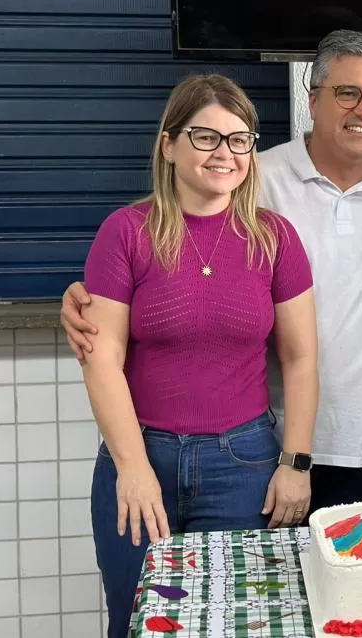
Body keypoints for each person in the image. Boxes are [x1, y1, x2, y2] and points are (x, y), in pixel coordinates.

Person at [61, 31, 362, 514]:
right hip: (268, 446)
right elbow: (170, 245)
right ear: (314, 99)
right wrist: (82, 297)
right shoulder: (251, 176)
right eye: (347, 92)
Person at [77, 74, 319, 637]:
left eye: (239, 140)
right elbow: (101, 358)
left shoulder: (275, 238)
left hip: (244, 467)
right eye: (205, 136)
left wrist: (295, 463)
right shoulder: (127, 233)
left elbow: (302, 359)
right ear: (169, 144)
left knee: (236, 624)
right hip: (141, 456)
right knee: (142, 622)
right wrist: (132, 469)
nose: (225, 153)